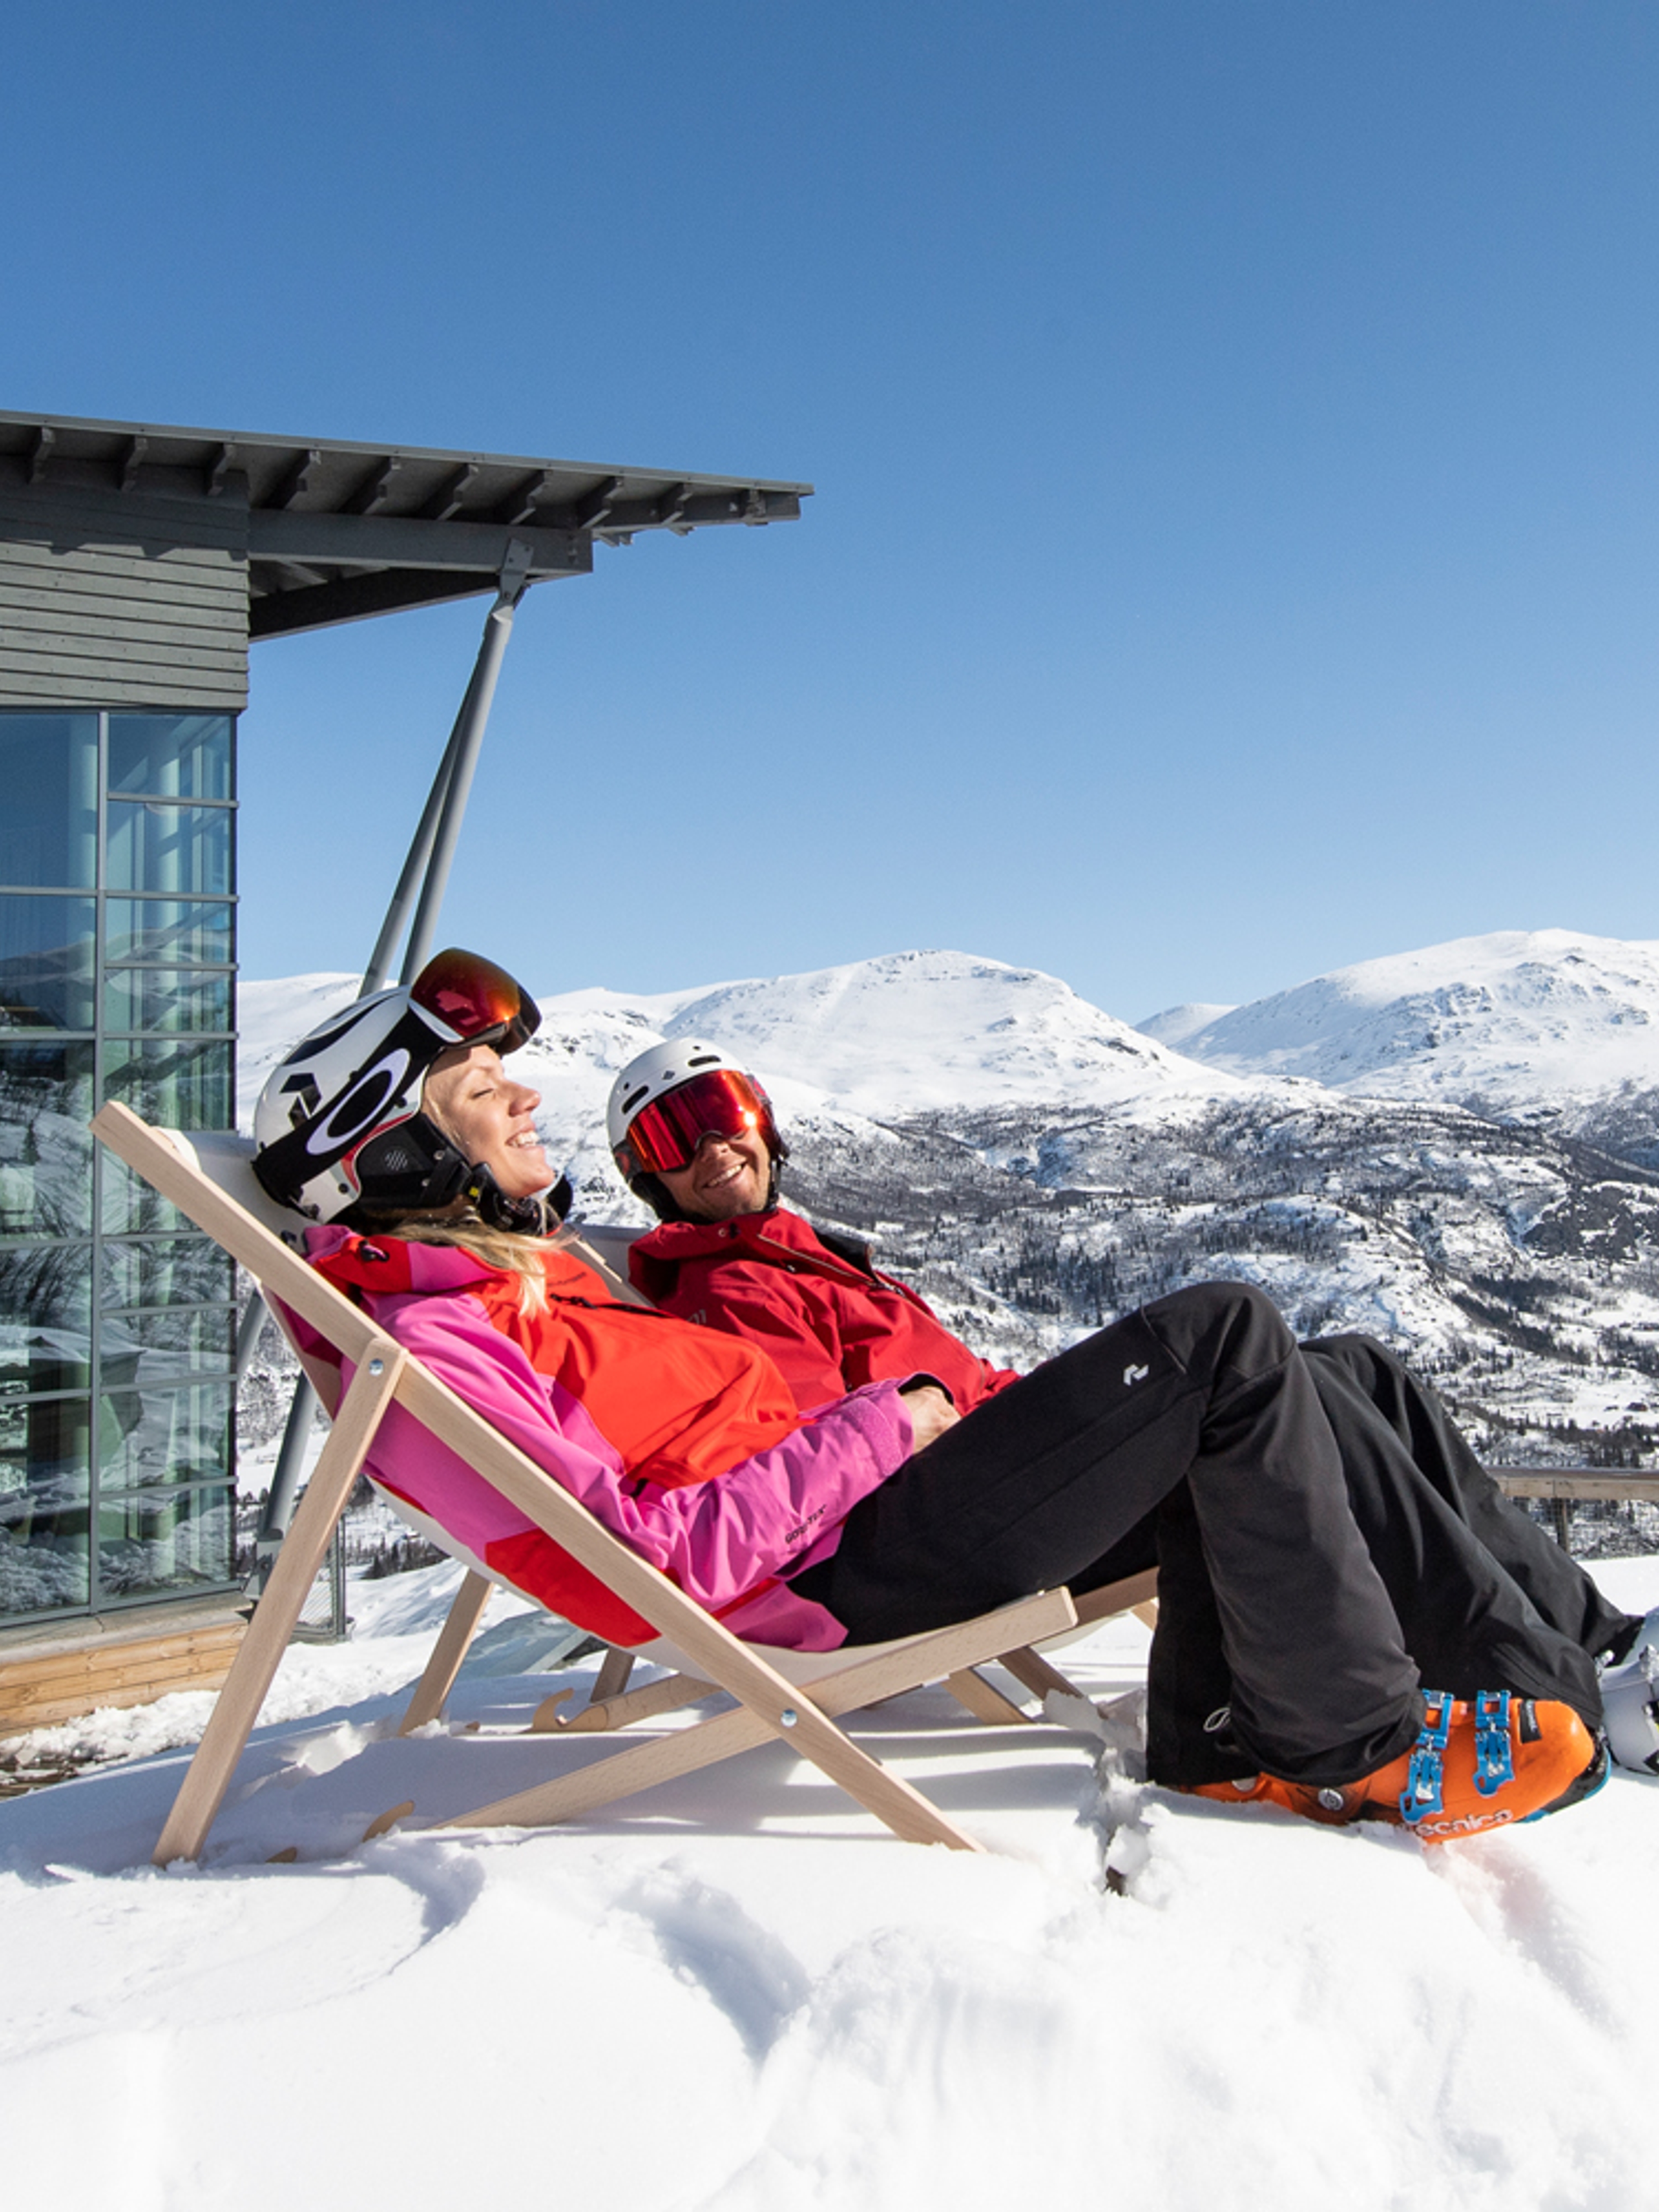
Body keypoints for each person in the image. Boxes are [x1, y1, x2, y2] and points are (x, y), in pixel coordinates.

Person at [251, 951, 1634, 1847]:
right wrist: (896, 1417)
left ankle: (1463, 1681)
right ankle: (1349, 1739)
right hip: (842, 1572)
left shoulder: (519, 1291)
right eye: (485, 1086)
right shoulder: (439, 1348)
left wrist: (940, 1414)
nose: (524, 1096)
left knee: (1336, 1368)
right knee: (1225, 1335)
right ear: (399, 1147)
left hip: (882, 1512)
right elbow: (655, 1567)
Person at [609, 1036, 1659, 1785]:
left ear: (766, 1123)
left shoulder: (800, 1256)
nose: (713, 1146)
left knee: (1350, 1369)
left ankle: (1596, 1640)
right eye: (673, 1134)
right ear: (645, 1175)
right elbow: (804, 1467)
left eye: (726, 1112)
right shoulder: (726, 1294)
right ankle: (1544, 1688)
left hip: (982, 1491)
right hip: (913, 1546)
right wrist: (928, 1419)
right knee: (1235, 1337)